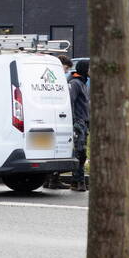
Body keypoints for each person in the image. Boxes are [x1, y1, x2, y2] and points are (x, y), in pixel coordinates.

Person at [44, 54, 76, 190]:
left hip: (49, 117)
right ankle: (53, 179)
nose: (67, 71)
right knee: (57, 148)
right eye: (66, 68)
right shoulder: (55, 79)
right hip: (56, 118)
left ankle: (49, 179)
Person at [68, 59, 90, 192]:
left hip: (84, 122)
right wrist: (74, 121)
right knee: (80, 152)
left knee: (81, 153)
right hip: (78, 123)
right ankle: (79, 181)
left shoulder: (83, 82)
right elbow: (70, 102)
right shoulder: (75, 83)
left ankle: (75, 181)